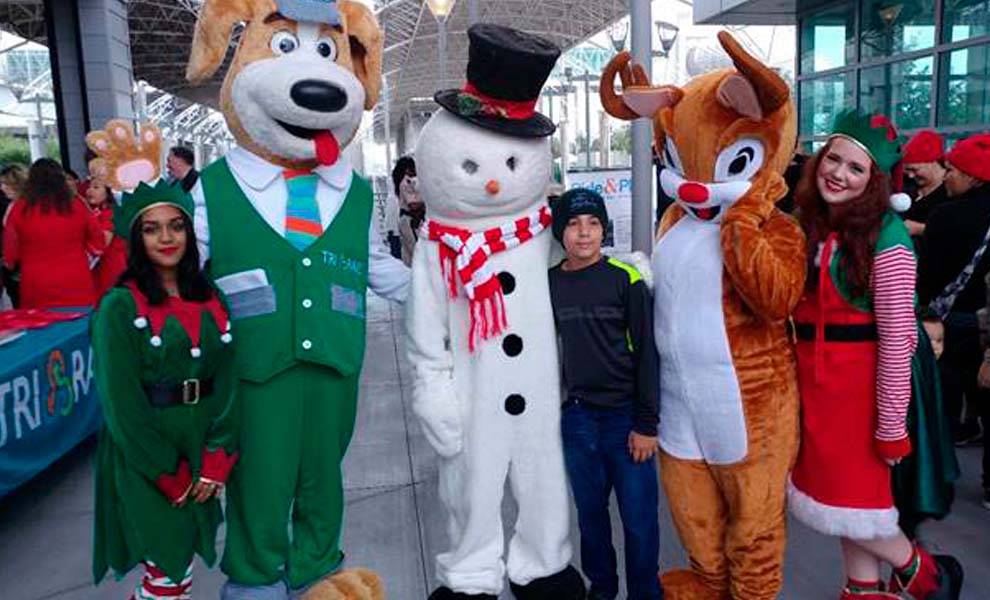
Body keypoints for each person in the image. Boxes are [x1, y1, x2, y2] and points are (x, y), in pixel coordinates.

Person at [788, 111, 963, 600]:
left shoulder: (889, 239)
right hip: (819, 392)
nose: (838, 174)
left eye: (855, 168)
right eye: (834, 159)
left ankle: (928, 577)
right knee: (851, 509)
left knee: (858, 504)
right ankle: (864, 590)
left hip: (862, 399)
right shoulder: (812, 223)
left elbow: (897, 342)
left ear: (874, 180)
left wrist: (890, 426)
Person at [91, 179, 238, 599]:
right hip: (145, 455)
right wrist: (165, 471)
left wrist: (218, 455)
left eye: (176, 226)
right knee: (168, 573)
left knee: (177, 572)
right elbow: (121, 404)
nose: (167, 238)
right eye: (151, 229)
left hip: (199, 444)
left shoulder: (210, 294)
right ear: (136, 237)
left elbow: (228, 378)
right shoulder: (119, 306)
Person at [548, 188, 661, 600]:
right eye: (574, 224)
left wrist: (646, 424)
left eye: (593, 223)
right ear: (560, 232)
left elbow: (647, 354)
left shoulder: (625, 279)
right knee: (591, 518)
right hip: (577, 419)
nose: (584, 233)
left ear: (604, 230)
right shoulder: (550, 284)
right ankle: (603, 589)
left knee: (639, 521)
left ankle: (644, 593)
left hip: (625, 420)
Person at [921, 132, 990, 502]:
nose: (947, 175)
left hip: (946, 322)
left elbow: (927, 275)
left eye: (953, 170)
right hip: (984, 325)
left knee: (941, 400)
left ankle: (939, 474)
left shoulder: (945, 216)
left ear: (974, 177)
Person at [2, 158, 105, 308]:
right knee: (79, 320)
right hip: (76, 279)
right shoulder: (77, 204)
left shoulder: (19, 208)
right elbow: (98, 241)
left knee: (39, 322)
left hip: (36, 283)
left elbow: (10, 253)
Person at [901, 130, 948, 242]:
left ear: (933, 162)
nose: (911, 175)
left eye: (915, 170)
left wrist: (920, 229)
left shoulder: (951, 190)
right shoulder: (908, 185)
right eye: (907, 170)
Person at [85, 178, 128, 299]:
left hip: (110, 267)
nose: (89, 191)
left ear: (109, 192)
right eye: (89, 187)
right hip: (97, 268)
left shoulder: (111, 214)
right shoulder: (93, 213)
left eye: (96, 187)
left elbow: (103, 242)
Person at [0, 163, 27, 306]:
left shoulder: (23, 206)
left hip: (22, 267)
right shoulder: (11, 204)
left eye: (5, 183)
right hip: (14, 269)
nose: (2, 188)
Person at [392, 156, 423, 267]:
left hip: (409, 220)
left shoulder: (405, 182)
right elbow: (413, 204)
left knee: (409, 253)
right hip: (409, 221)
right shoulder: (406, 183)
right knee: (416, 252)